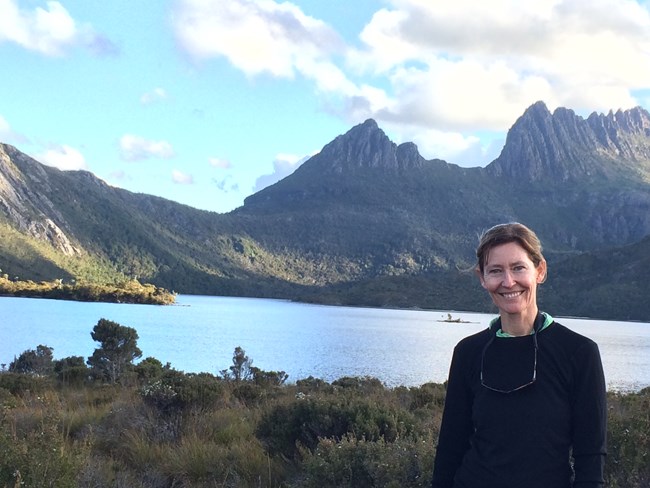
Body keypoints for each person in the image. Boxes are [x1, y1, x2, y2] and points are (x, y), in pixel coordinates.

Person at [431, 222, 607, 488]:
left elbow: (590, 456)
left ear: (540, 271)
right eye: (496, 271)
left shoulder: (579, 353)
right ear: (482, 277)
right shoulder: (468, 352)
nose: (508, 282)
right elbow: (450, 449)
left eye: (518, 268)